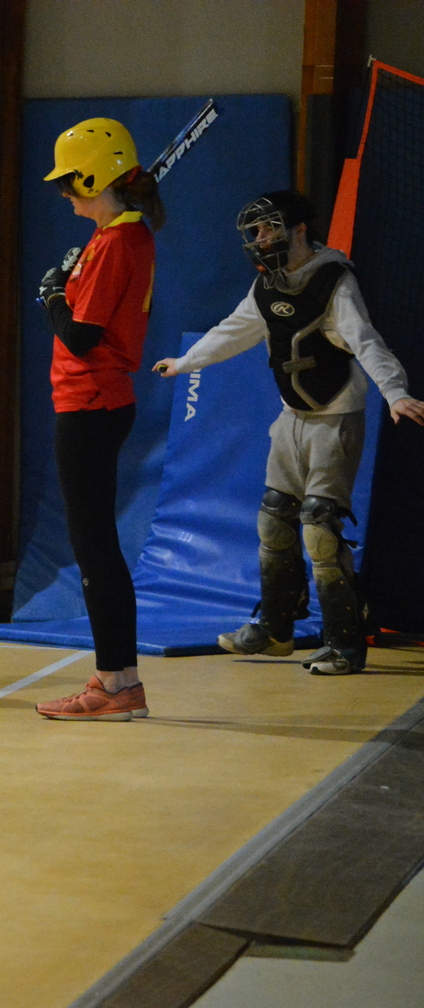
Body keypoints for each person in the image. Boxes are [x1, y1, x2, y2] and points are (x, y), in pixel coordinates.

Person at [154, 190, 424, 675]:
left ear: (299, 230)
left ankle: (344, 645)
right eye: (255, 231)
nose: (260, 239)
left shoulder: (332, 280)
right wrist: (186, 362)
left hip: (335, 417)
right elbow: (233, 330)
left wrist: (395, 391)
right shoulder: (266, 286)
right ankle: (276, 630)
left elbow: (365, 340)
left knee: (320, 527)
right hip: (290, 417)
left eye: (269, 228)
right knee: (275, 516)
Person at [32, 118, 164, 722]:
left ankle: (115, 684)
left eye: (70, 181)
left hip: (90, 402)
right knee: (95, 545)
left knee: (94, 548)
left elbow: (82, 337)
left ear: (93, 178)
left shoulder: (117, 242)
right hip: (91, 402)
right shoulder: (112, 237)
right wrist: (65, 287)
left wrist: (53, 296)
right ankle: (119, 679)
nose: (64, 192)